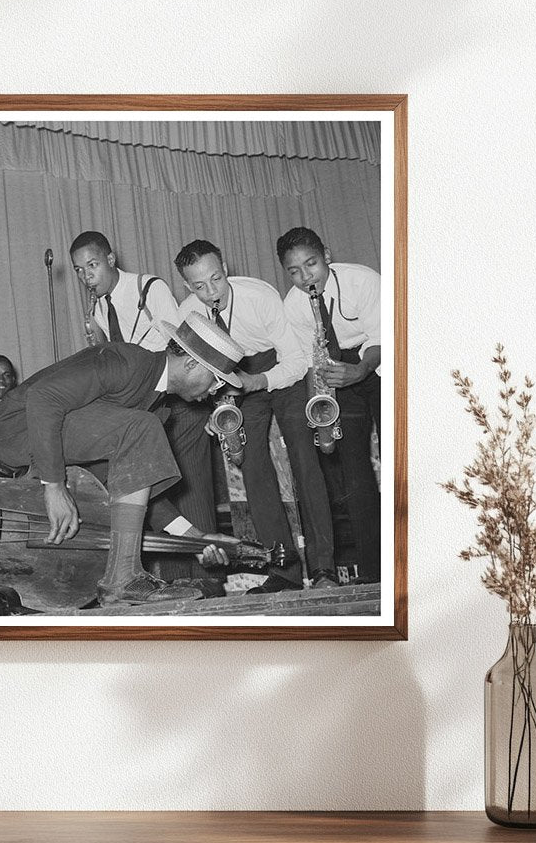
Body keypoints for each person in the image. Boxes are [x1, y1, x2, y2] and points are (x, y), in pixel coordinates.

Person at [0, 312, 247, 607]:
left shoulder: (157, 407)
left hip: (52, 435)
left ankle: (123, 576)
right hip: (18, 427)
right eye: (215, 380)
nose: (215, 391)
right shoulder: (127, 363)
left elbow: (133, 488)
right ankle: (122, 579)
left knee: (141, 430)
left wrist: (195, 538)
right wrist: (54, 486)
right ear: (191, 364)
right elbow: (43, 398)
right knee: (141, 428)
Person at [174, 239, 337, 593]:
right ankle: (284, 572)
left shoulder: (259, 296)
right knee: (254, 470)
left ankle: (325, 570)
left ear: (226, 269)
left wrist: (257, 381)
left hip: (279, 370)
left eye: (216, 279)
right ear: (187, 285)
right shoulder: (189, 313)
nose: (211, 292)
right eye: (199, 286)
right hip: (236, 380)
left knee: (304, 459)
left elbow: (294, 360)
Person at [69, 231, 215, 578]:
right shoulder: (100, 306)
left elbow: (178, 347)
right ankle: (176, 580)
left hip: (176, 402)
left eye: (91, 265)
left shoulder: (150, 289)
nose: (86, 276)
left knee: (191, 491)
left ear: (111, 259)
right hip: (144, 409)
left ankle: (211, 580)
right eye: (78, 270)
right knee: (154, 493)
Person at [278, 226, 381, 583]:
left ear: (327, 254)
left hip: (380, 363)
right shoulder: (293, 306)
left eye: (312, 264)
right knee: (355, 475)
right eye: (294, 271)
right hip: (336, 372)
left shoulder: (362, 281)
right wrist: (320, 415)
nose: (306, 277)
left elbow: (385, 336)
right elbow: (312, 360)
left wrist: (362, 369)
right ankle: (373, 574)